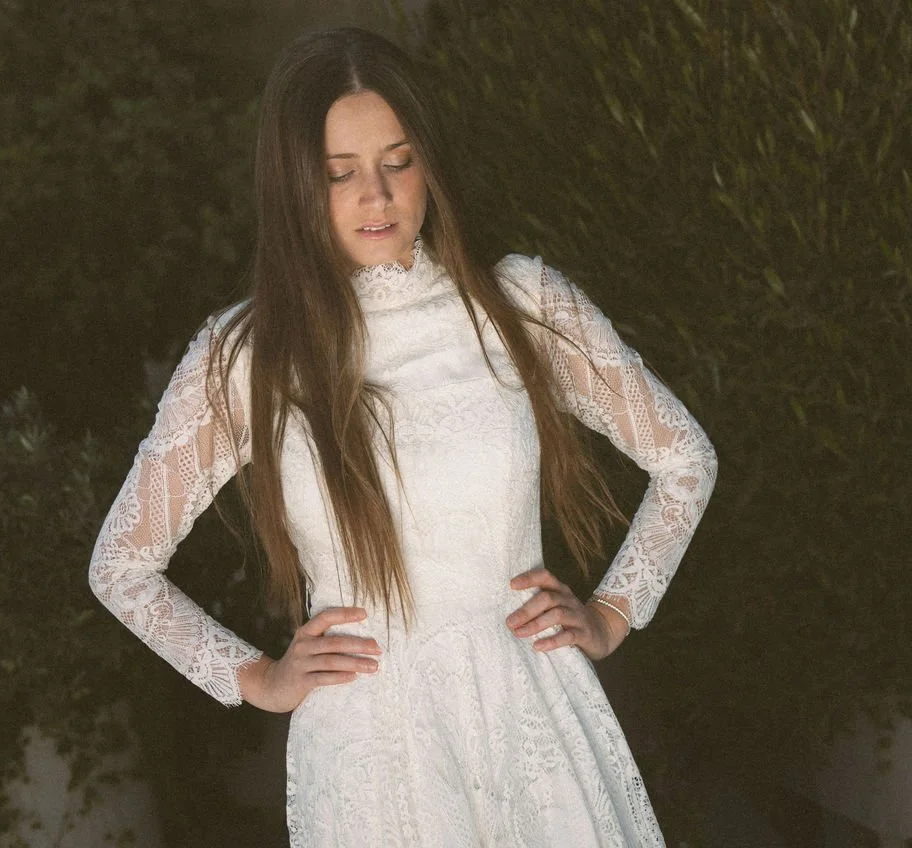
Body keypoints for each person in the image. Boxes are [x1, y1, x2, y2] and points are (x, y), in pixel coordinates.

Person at [89, 26, 717, 848]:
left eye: (398, 161)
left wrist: (611, 614)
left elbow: (685, 458)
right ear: (295, 184)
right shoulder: (248, 356)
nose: (376, 196)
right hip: (370, 754)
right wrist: (259, 678)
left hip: (531, 720)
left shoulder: (521, 304)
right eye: (339, 173)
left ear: (430, 163)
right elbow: (122, 566)